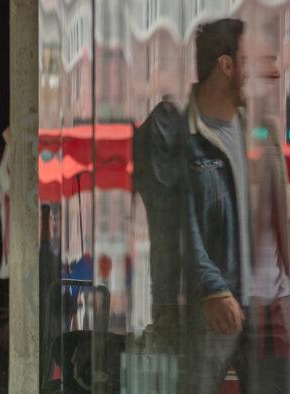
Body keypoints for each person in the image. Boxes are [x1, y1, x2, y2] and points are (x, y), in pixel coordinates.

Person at [178, 18, 290, 393]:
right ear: (226, 65)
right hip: (215, 307)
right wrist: (213, 288)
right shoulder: (185, 137)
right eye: (245, 60)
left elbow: (283, 224)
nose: (251, 73)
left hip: (270, 315)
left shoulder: (263, 131)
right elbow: (182, 226)